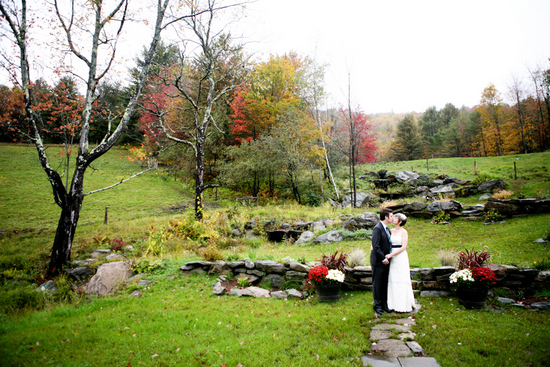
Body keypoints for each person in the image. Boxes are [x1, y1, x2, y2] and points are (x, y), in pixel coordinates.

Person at [386, 213, 416, 313]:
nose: (393, 219)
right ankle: (392, 304)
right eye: (393, 217)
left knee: (401, 278)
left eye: (396, 218)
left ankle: (402, 304)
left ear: (400, 222)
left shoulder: (404, 232)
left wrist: (392, 255)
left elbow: (403, 247)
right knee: (393, 278)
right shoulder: (390, 231)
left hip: (400, 256)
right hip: (391, 255)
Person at [370, 208, 393, 315]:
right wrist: (383, 258)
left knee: (384, 283)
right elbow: (376, 246)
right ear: (386, 217)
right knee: (377, 283)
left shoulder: (387, 229)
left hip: (386, 260)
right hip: (378, 261)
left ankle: (384, 304)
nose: (392, 218)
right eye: (391, 216)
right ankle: (377, 305)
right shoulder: (377, 229)